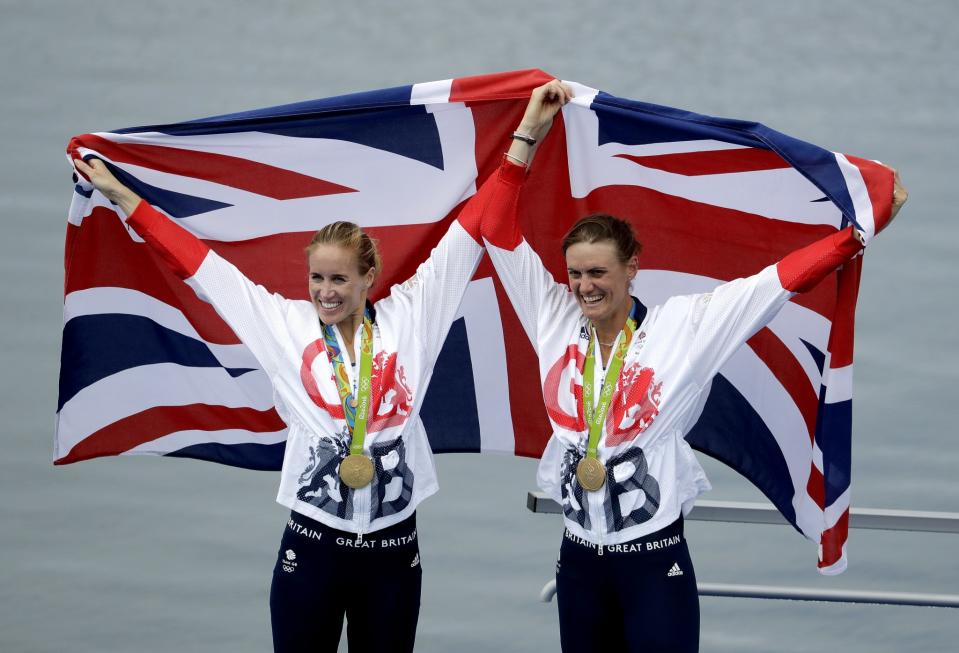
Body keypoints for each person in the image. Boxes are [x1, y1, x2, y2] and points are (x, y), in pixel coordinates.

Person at [483, 80, 909, 653]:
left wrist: (859, 231)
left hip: (653, 563)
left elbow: (777, 283)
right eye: (577, 273)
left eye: (599, 274)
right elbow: (494, 228)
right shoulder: (553, 316)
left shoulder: (686, 328)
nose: (585, 287)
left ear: (632, 268)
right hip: (578, 558)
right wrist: (528, 133)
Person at [71, 148, 529, 652]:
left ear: (368, 278)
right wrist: (121, 195)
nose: (325, 292)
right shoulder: (282, 326)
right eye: (317, 278)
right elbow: (197, 264)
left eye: (339, 279)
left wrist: (525, 136)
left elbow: (471, 230)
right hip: (314, 548)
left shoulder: (414, 316)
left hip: (393, 553)